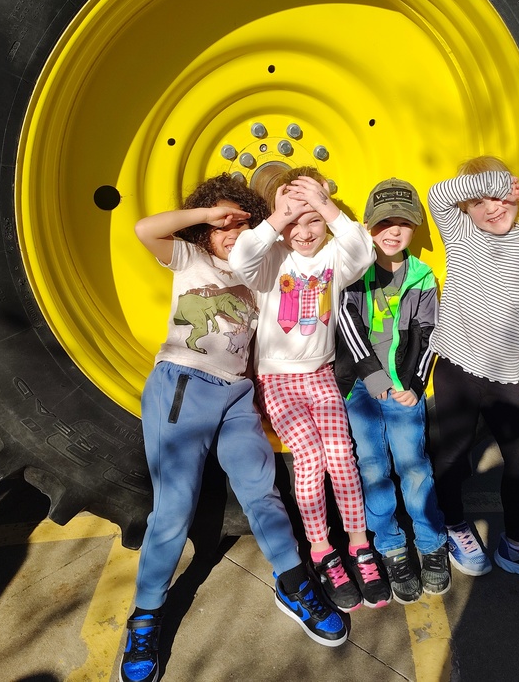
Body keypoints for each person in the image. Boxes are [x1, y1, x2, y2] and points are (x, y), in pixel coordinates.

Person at [122, 174, 348, 682]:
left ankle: (293, 583)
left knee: (261, 492)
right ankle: (145, 616)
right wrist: (205, 216)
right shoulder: (191, 258)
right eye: (222, 222)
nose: (231, 230)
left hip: (238, 396)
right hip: (184, 385)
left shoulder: (261, 270)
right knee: (174, 509)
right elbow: (144, 228)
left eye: (240, 221)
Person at [228, 167, 392, 612]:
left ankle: (359, 546)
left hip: (319, 375)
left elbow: (361, 248)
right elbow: (240, 258)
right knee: (311, 457)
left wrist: (323, 204)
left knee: (342, 455)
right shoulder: (270, 262)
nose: (304, 231)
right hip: (277, 380)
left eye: (313, 221)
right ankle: (322, 550)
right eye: (294, 223)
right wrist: (280, 216)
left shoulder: (334, 259)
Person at [426, 156, 519, 590]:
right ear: (467, 210)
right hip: (455, 365)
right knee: (451, 456)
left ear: (516, 195)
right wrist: (495, 182)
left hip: (503, 374)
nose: (492, 207)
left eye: (500, 197)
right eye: (479, 201)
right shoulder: (462, 237)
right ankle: (455, 526)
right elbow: (439, 195)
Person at [334, 178, 451, 604]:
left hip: (402, 390)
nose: (394, 230)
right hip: (362, 390)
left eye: (404, 223)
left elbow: (430, 333)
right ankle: (391, 547)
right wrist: (372, 377)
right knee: (372, 468)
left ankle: (431, 541)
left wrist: (416, 385)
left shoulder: (421, 276)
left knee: (414, 465)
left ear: (415, 228)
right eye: (385, 222)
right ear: (369, 227)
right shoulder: (354, 273)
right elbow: (348, 324)